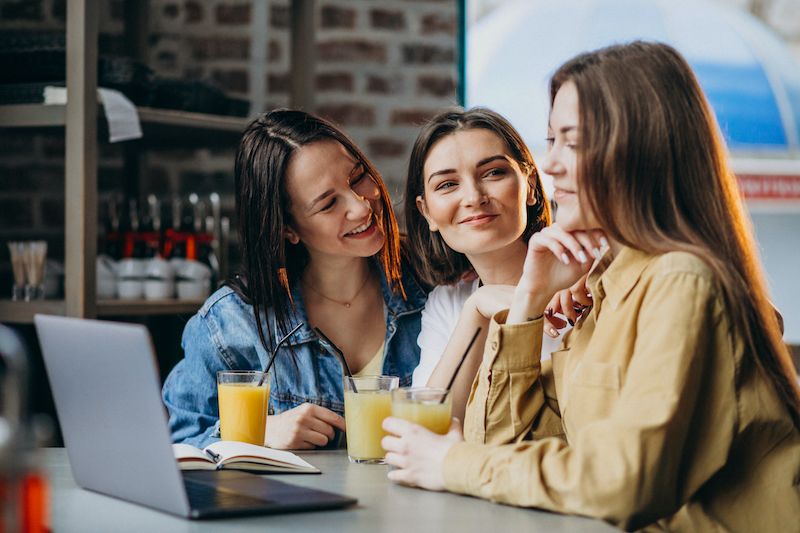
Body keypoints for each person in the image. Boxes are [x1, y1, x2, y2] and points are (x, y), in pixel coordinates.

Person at [382, 41, 800, 532]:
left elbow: (626, 482)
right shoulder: (606, 280)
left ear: (639, 150)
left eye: (572, 142)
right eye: (551, 141)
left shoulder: (682, 279)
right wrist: (529, 306)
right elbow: (496, 439)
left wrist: (453, 464)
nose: (551, 163)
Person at [163, 110, 427, 450]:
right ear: (287, 229)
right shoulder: (229, 324)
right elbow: (178, 445)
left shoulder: (430, 280)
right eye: (329, 203)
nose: (362, 207)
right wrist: (255, 434)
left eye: (358, 177)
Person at [404, 108, 577, 420]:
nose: (474, 197)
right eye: (447, 185)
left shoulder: (582, 283)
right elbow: (426, 429)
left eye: (494, 173)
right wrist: (477, 309)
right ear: (426, 211)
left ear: (531, 187)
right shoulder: (448, 304)